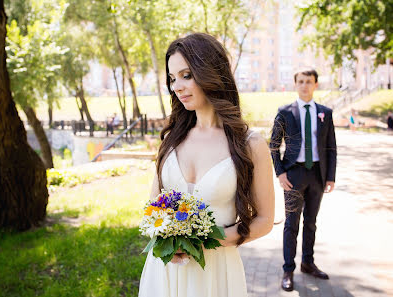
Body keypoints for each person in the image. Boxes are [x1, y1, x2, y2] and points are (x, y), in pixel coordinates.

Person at [138, 33, 275, 297]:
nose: (177, 86)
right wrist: (167, 234)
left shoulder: (250, 145)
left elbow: (265, 220)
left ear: (211, 72)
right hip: (164, 271)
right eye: (172, 78)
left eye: (186, 75)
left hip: (216, 273)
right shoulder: (171, 139)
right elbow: (152, 209)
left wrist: (204, 242)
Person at [269, 68, 337, 292]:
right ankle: (288, 269)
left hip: (317, 175)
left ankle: (308, 263)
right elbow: (274, 145)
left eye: (309, 81)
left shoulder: (325, 113)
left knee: (311, 222)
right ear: (295, 84)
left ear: (316, 84)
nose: (305, 85)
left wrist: (330, 177)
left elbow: (331, 148)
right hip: (293, 175)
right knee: (291, 224)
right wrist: (280, 173)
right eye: (301, 81)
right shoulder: (285, 112)